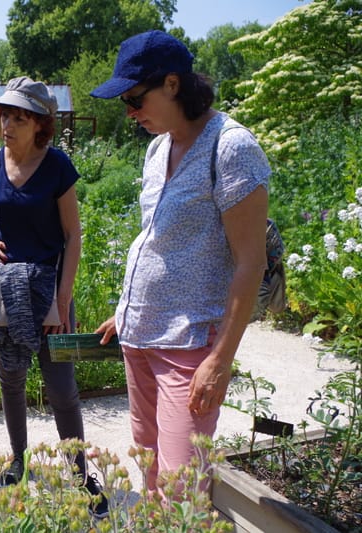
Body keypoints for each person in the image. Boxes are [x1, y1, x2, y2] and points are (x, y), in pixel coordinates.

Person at [90, 30, 270, 491]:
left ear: (172, 84)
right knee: (148, 465)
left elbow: (252, 263)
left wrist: (219, 360)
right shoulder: (158, 147)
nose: (130, 113)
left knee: (181, 484)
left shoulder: (230, 147)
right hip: (140, 333)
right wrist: (126, 308)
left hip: (190, 341)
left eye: (134, 98)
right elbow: (158, 240)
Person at [0, 76, 109, 517]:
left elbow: (72, 235)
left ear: (40, 123)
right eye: (5, 114)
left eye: (20, 117)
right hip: (0, 288)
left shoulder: (57, 166)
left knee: (62, 388)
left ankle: (81, 475)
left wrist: (63, 300)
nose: (8, 123)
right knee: (11, 379)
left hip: (52, 293)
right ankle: (17, 460)